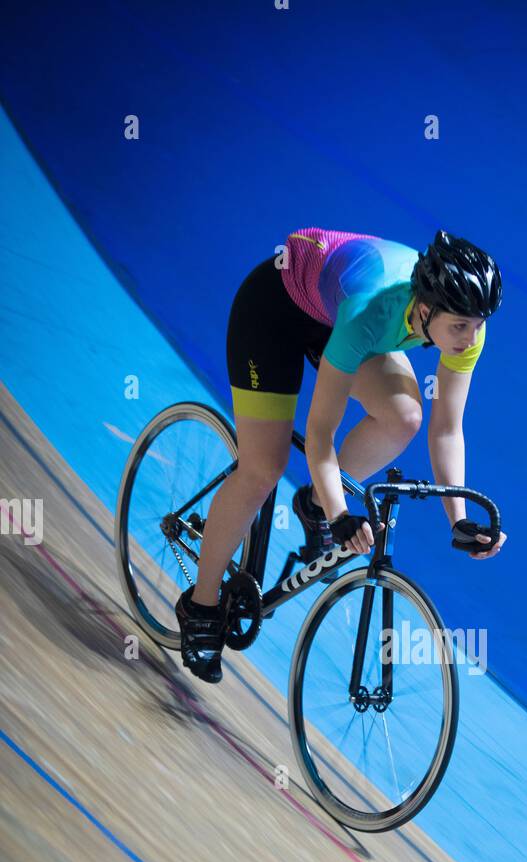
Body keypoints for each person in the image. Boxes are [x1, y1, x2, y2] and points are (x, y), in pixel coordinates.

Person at [175, 227, 506, 682]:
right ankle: (201, 605)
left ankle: (312, 504)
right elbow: (320, 433)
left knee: (403, 416)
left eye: (478, 325)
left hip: (334, 313)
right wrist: (341, 512)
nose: (471, 339)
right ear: (426, 310)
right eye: (460, 327)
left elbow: (446, 428)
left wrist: (459, 519)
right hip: (275, 313)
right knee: (263, 468)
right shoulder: (373, 310)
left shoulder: (465, 326)